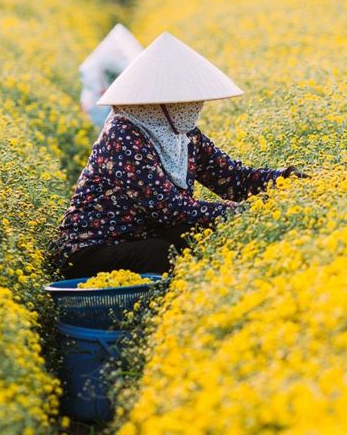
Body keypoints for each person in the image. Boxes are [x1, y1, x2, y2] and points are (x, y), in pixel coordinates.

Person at [51, 32, 307, 279]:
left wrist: (283, 181)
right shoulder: (123, 135)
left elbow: (230, 177)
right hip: (92, 250)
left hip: (138, 239)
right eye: (186, 99)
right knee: (163, 252)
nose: (196, 106)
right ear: (161, 101)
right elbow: (170, 209)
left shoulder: (183, 134)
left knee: (193, 237)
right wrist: (241, 213)